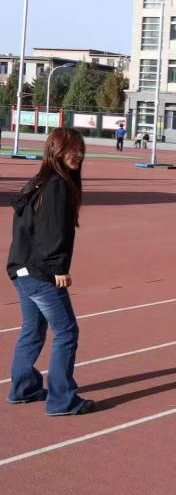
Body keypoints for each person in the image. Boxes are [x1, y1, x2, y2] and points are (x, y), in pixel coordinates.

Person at [6, 128, 95, 415]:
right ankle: (61, 400)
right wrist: (59, 268)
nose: (78, 154)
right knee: (67, 332)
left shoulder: (38, 182)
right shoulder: (57, 186)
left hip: (22, 269)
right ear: (56, 150)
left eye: (81, 149)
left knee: (32, 329)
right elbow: (52, 231)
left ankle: (24, 388)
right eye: (72, 149)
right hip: (40, 272)